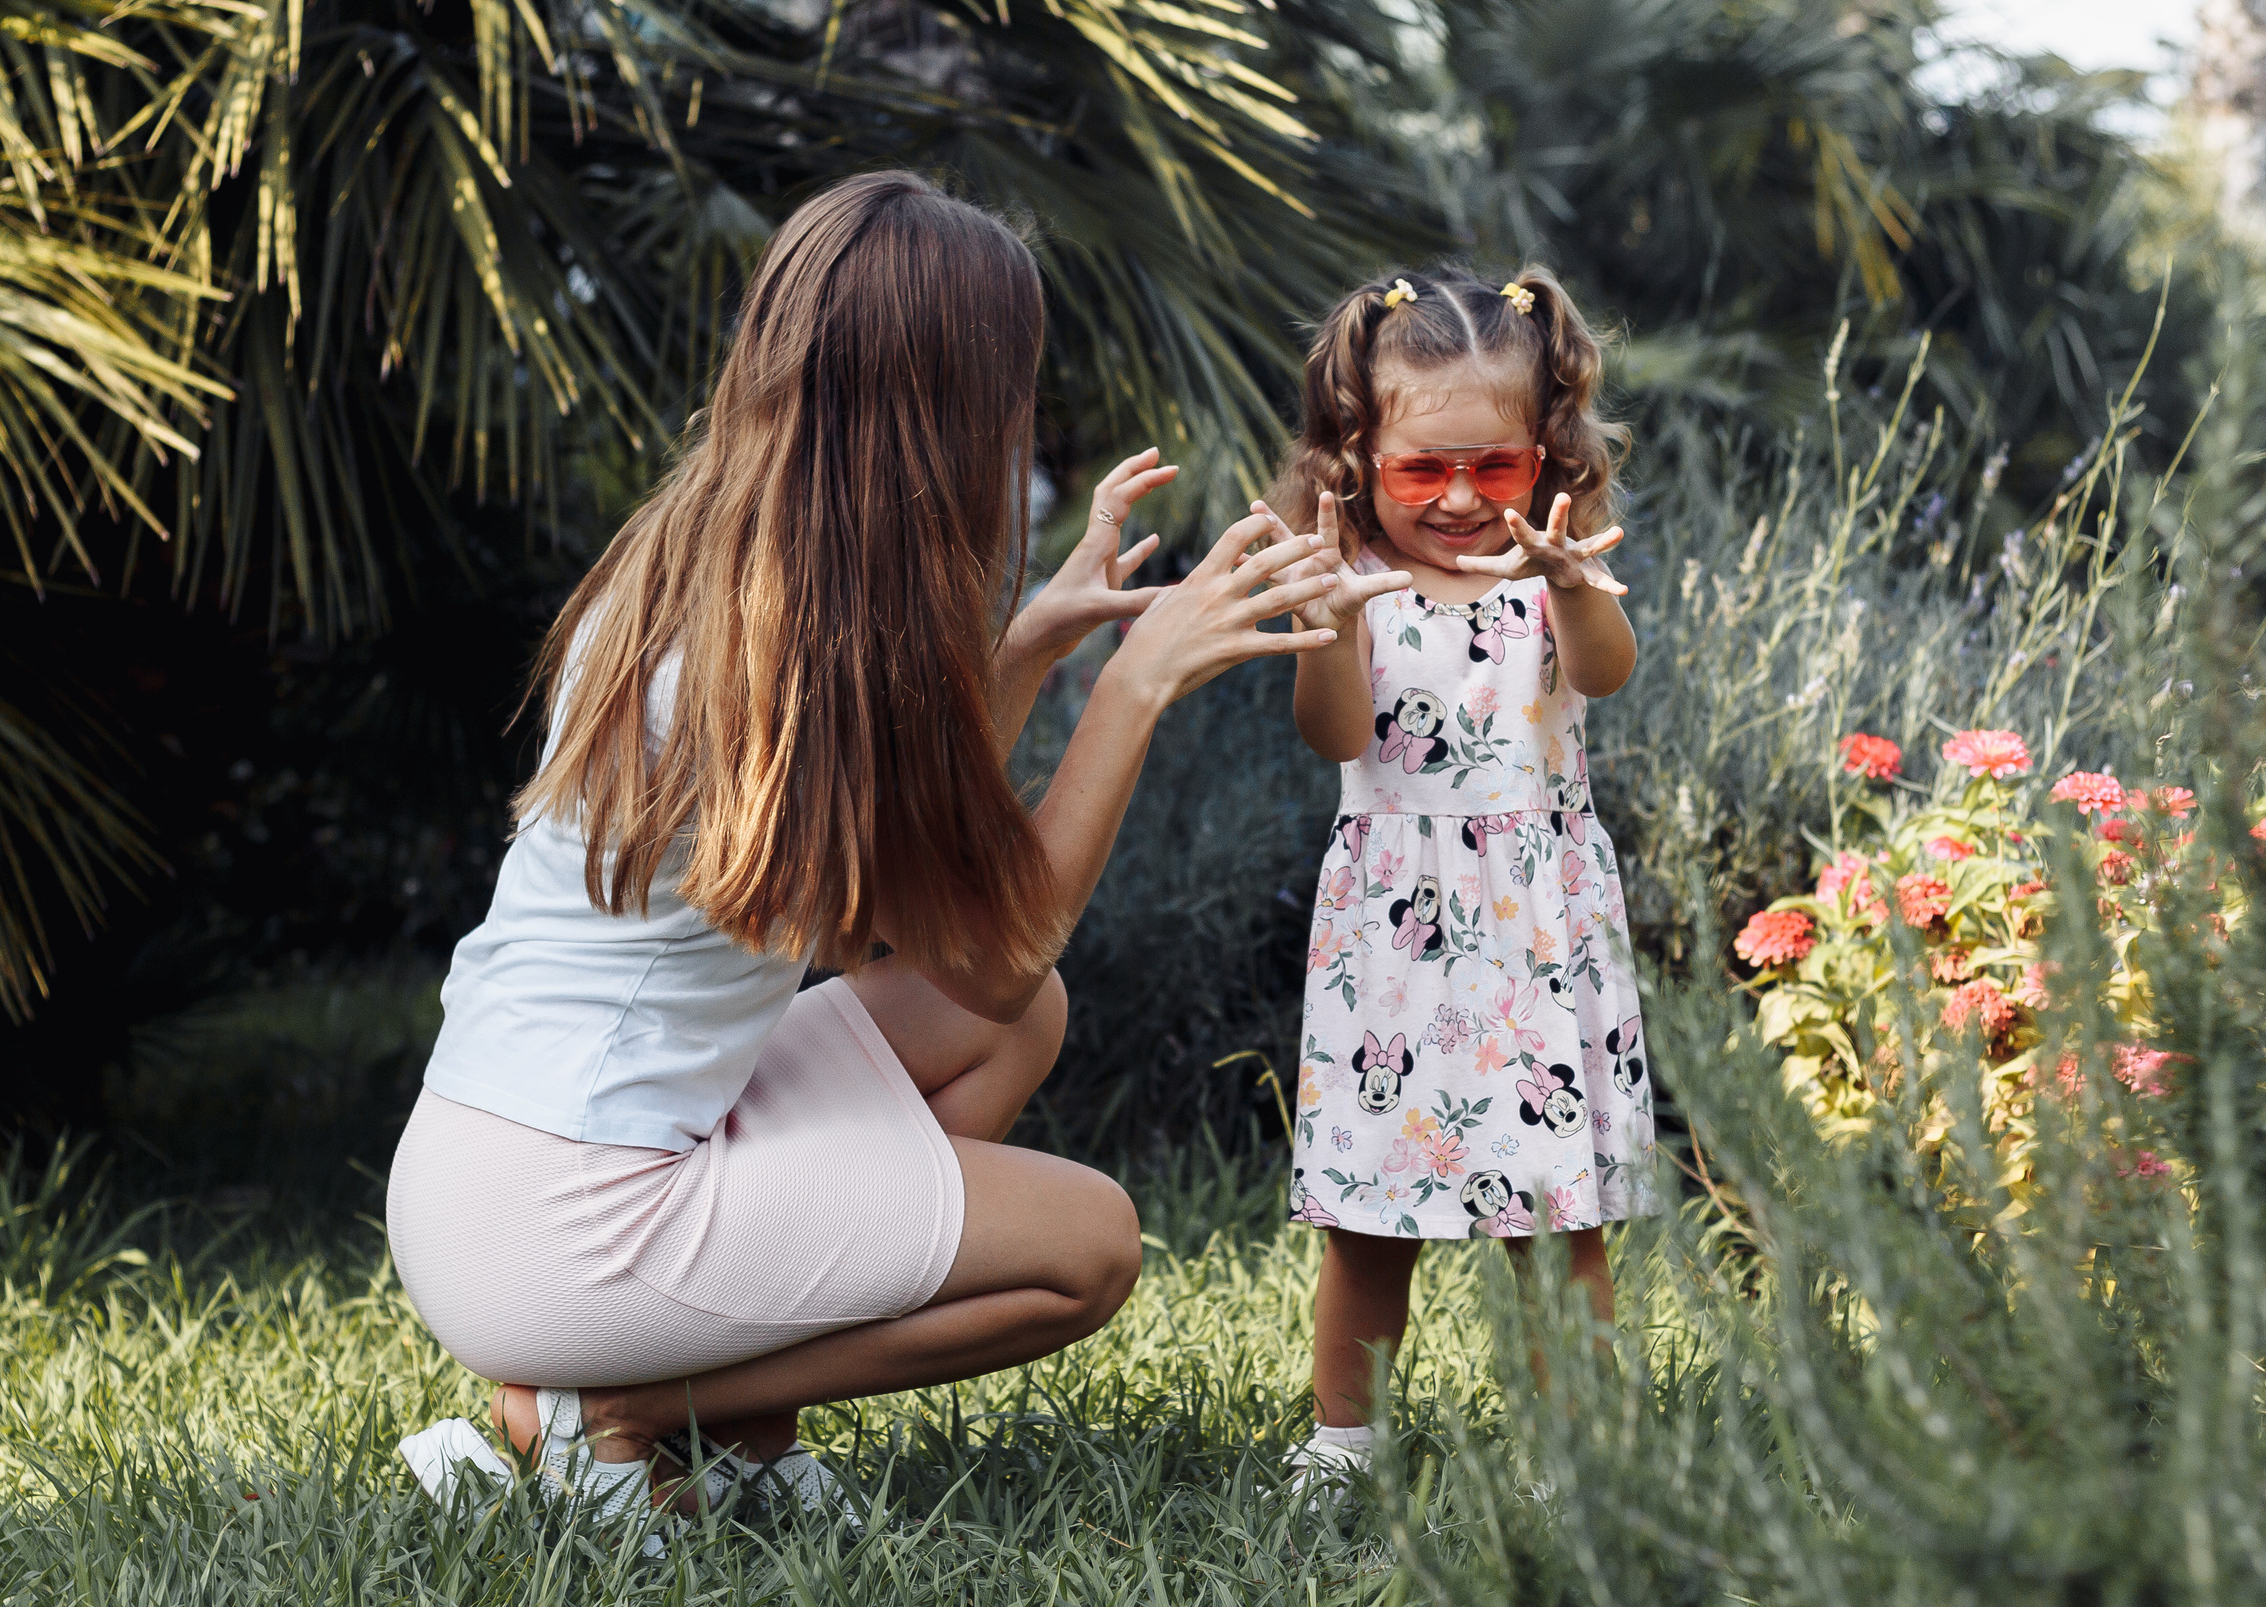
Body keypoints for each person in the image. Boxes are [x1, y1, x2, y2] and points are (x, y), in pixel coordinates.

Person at [387, 170, 1357, 1528]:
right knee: (1087, 1248)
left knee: (993, 1029)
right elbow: (1005, 946)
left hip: (491, 1161)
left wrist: (1026, 643)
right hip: (565, 1224)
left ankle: (718, 1419)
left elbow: (915, 908)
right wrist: (1136, 685)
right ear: (954, 404)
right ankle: (622, 1408)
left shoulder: (709, 556)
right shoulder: (793, 653)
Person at [1260, 266, 1660, 1502]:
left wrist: (1574, 581)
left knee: (1559, 1222)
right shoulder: (1360, 594)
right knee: (1371, 1222)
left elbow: (1609, 671)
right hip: (1395, 933)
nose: (1457, 501)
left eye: (1493, 469)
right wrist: (1330, 618)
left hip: (1536, 926)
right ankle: (1343, 1449)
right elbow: (1333, 737)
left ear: (1546, 457)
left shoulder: (1549, 581)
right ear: (1355, 455)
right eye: (1419, 471)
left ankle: (1575, 1457)